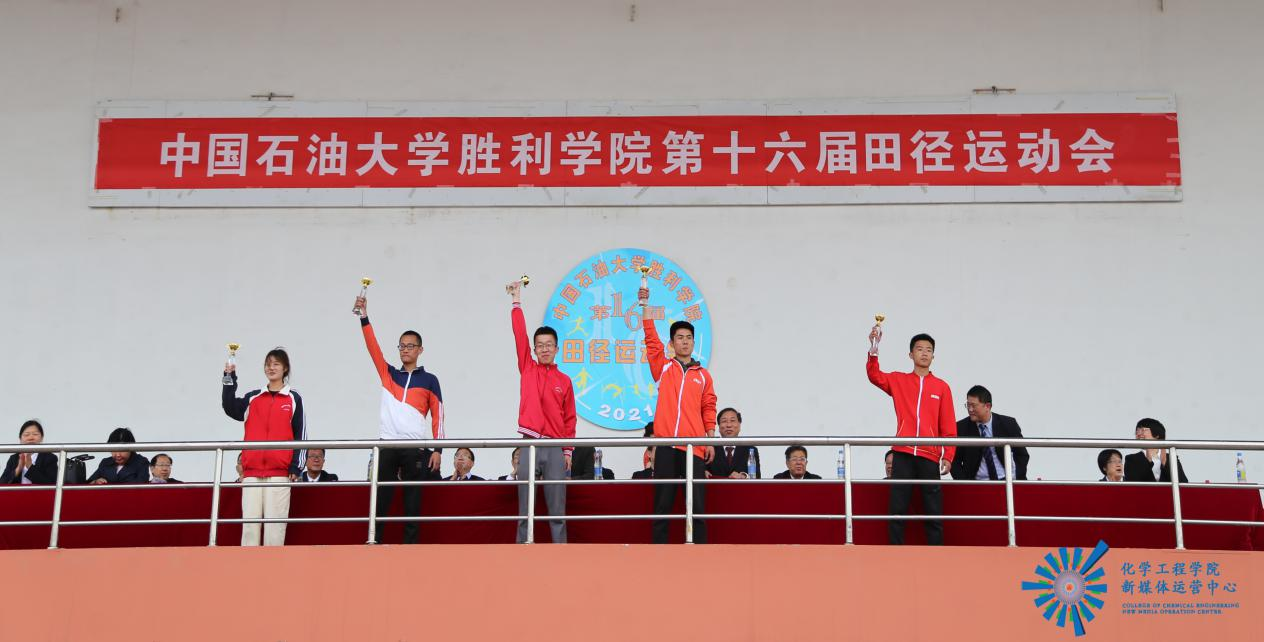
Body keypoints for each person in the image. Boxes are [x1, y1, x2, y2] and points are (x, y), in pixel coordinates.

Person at [356, 294, 445, 545]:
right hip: (387, 444)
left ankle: (410, 547)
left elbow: (438, 416)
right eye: (402, 346)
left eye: (410, 346)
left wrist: (438, 449)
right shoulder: (389, 374)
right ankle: (374, 541)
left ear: (420, 350)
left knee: (412, 499)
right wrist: (364, 317)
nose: (405, 350)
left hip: (414, 447)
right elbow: (373, 348)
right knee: (381, 498)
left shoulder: (430, 380)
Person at [640, 285, 717, 544]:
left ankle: (699, 551)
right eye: (679, 338)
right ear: (671, 344)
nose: (684, 341)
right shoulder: (663, 368)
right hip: (666, 446)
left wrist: (710, 440)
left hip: (694, 447)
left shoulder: (703, 375)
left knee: (696, 505)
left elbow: (709, 407)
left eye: (688, 337)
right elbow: (651, 339)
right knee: (662, 503)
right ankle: (659, 552)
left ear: (693, 342)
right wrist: (645, 307)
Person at [867, 330, 956, 546]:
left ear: (933, 356)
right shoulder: (899, 380)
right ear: (910, 354)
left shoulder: (942, 387)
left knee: (933, 508)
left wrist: (948, 455)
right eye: (919, 349)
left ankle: (936, 552)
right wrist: (874, 348)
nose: (924, 353)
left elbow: (948, 426)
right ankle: (895, 552)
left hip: (929, 455)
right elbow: (874, 375)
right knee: (897, 507)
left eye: (929, 350)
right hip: (903, 452)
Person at [507, 279, 574, 543]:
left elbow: (569, 419)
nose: (544, 349)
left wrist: (567, 450)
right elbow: (519, 335)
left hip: (555, 446)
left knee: (557, 509)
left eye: (549, 345)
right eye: (540, 345)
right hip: (530, 443)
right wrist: (516, 302)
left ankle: (561, 552)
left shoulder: (564, 381)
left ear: (557, 348)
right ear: (534, 349)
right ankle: (523, 550)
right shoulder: (528, 368)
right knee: (525, 507)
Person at [222, 348, 306, 547]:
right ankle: (248, 566)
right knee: (249, 528)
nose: (271, 368)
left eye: (276, 364)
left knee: (275, 529)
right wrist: (229, 377)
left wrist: (296, 466)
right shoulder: (254, 397)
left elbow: (301, 434)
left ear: (285, 368)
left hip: (279, 473)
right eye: (268, 364)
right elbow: (230, 406)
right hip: (252, 472)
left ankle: (273, 567)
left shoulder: (293, 398)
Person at [950, 385, 1030, 481]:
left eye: (974, 405)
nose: (970, 409)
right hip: (977, 484)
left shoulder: (1008, 424)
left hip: (1007, 481)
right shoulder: (961, 427)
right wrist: (965, 483)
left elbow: (1022, 455)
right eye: (968, 405)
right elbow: (954, 461)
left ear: (987, 406)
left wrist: (1015, 479)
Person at [1124, 418, 1188, 483]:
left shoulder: (1171, 458)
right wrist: (1148, 463)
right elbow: (1131, 483)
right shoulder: (1131, 459)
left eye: (1143, 430)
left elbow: (1183, 483)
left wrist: (1165, 464)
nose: (1138, 434)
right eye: (1137, 431)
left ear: (1157, 435)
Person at [706, 407, 762, 479]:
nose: (729, 425)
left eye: (732, 420)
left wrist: (743, 476)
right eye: (724, 421)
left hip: (741, 486)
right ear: (719, 427)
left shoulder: (750, 450)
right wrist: (702, 472)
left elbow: (757, 476)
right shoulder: (710, 448)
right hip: (716, 486)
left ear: (739, 425)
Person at [2, 420, 59, 484]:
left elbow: (52, 484)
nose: (30, 438)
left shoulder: (50, 458)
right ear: (20, 439)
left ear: (42, 438)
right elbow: (2, 483)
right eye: (26, 435)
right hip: (18, 491)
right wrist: (18, 469)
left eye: (35, 434)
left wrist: (30, 466)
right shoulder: (14, 458)